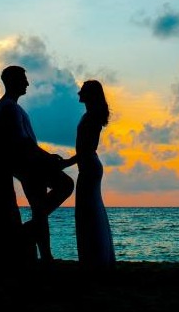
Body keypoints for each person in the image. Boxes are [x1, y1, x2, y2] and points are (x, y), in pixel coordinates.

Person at [0, 64, 74, 263]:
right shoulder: (9, 108)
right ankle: (23, 235)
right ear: (12, 81)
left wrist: (46, 157)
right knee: (65, 185)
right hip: (29, 166)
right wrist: (47, 158)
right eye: (23, 79)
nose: (27, 83)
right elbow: (22, 142)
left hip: (29, 164)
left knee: (40, 209)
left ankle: (45, 255)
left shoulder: (11, 107)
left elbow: (25, 142)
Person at [62, 79, 116, 271]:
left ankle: (95, 260)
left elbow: (86, 148)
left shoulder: (91, 117)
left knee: (87, 212)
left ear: (90, 94)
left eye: (83, 90)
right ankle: (97, 258)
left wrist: (66, 163)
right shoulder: (91, 115)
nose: (79, 93)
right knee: (91, 211)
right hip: (89, 166)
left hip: (89, 167)